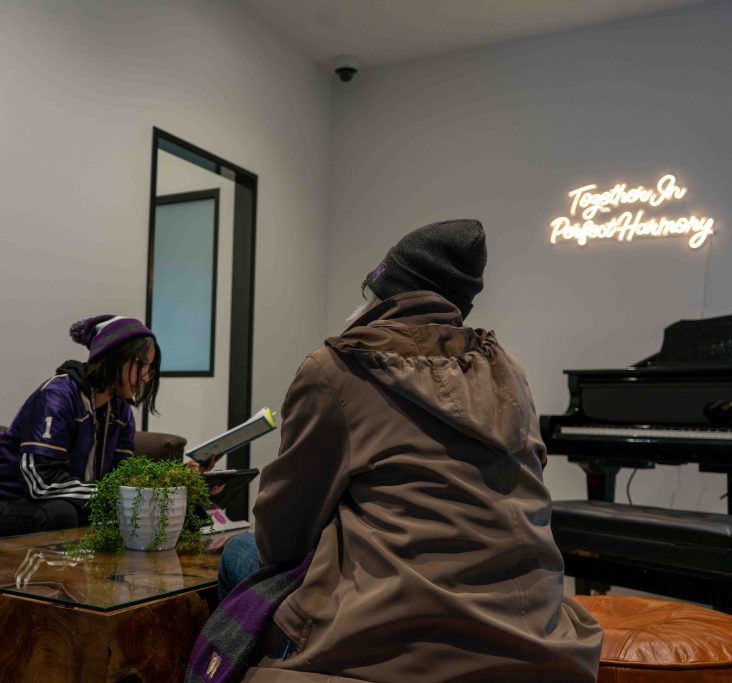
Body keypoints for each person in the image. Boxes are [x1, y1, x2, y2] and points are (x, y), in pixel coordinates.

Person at [215, 220, 603, 682]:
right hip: (540, 638)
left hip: (400, 641)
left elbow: (281, 539)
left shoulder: (337, 368)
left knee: (239, 552)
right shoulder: (508, 371)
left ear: (382, 291)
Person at [0, 315, 161, 539]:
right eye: (141, 364)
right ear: (115, 356)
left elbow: (120, 477)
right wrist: (111, 497)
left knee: (119, 514)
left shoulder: (121, 411)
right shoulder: (57, 397)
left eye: (149, 368)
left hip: (57, 502)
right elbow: (40, 482)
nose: (145, 377)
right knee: (62, 515)